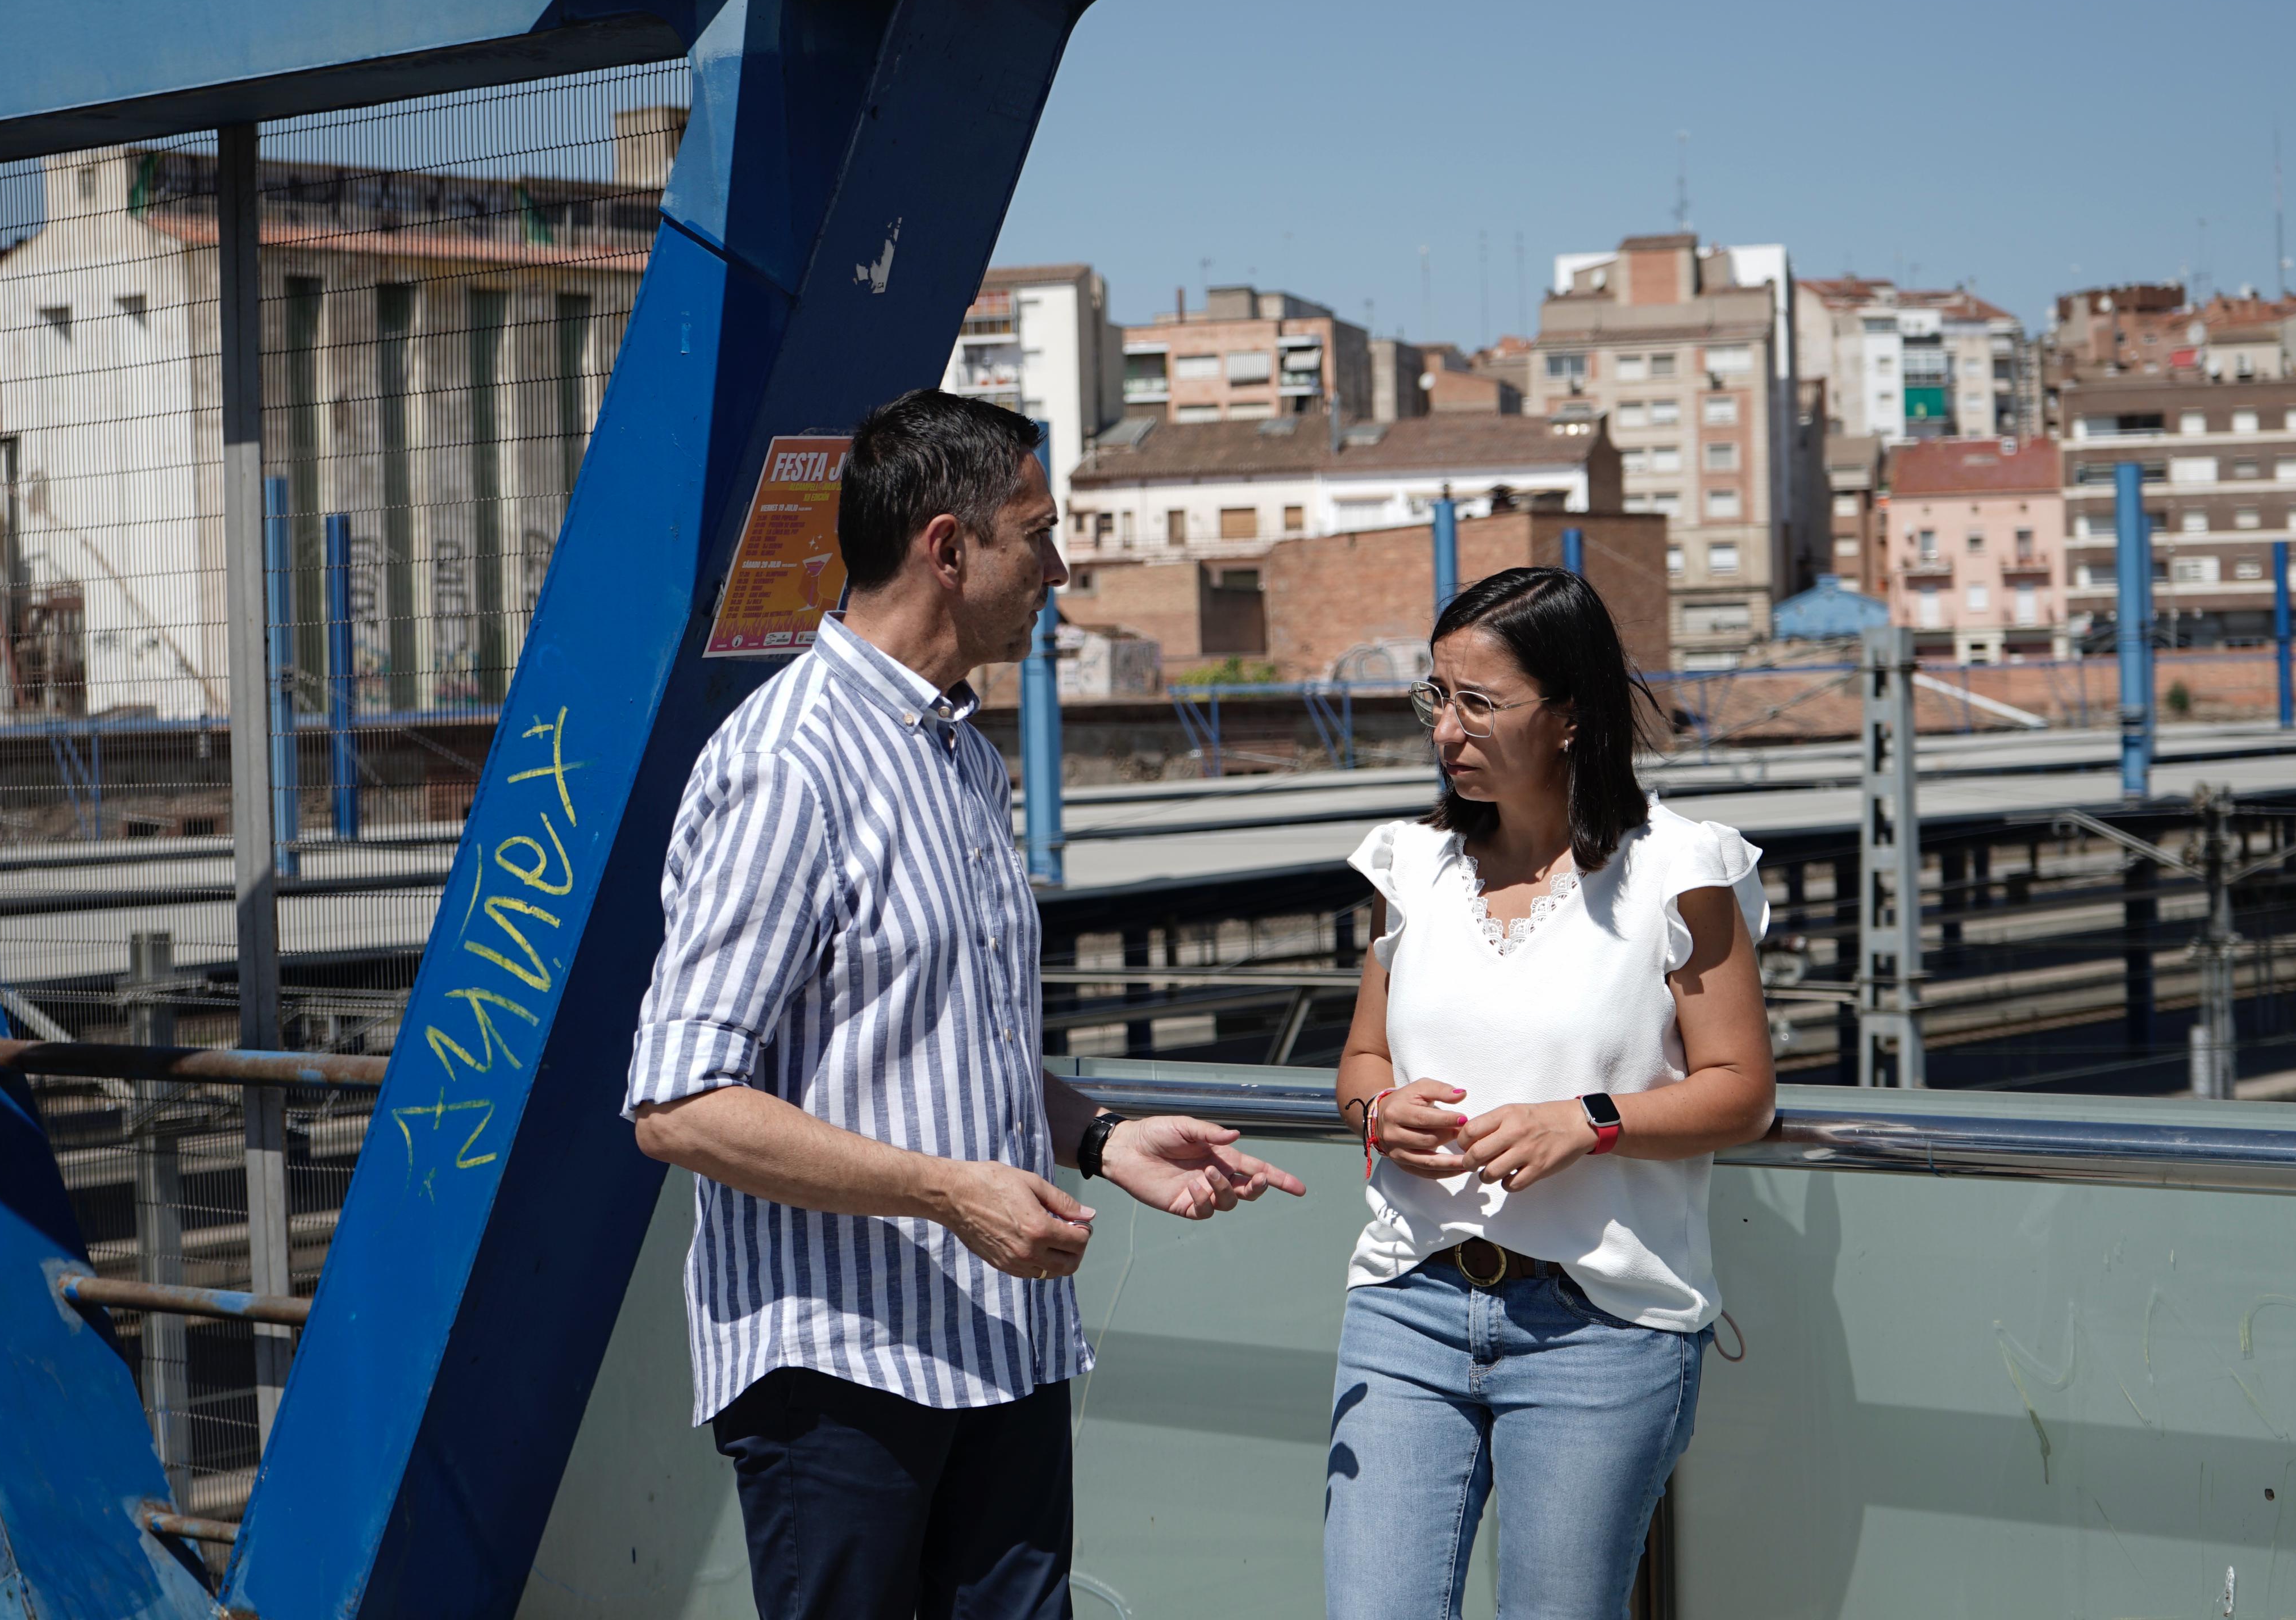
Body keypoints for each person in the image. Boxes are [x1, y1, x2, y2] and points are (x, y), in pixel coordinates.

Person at [626, 389, 1307, 1620]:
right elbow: (677, 1104)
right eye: (1037, 534)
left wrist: (1095, 1136)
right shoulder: (791, 764)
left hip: (998, 1346)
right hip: (839, 1378)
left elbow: (945, 1045)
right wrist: (950, 1191)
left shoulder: (959, 758)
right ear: (949, 549)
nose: (1060, 566)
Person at [1324, 566, 1777, 1619]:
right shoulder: (1415, 865)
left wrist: (1591, 1123)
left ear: (1571, 713)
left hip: (1601, 1329)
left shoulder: (1678, 868)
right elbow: (1359, 1064)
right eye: (1436, 697)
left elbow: (1742, 1092)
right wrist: (1378, 1115)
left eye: (1480, 703)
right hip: (1406, 1306)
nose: (1447, 729)